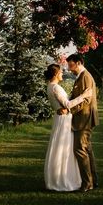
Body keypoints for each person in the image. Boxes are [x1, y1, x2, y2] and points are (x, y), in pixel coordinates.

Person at [43, 63, 87, 191]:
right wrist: (84, 96)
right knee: (64, 148)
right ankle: (63, 179)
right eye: (61, 72)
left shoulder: (49, 87)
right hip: (64, 120)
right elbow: (67, 104)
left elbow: (61, 105)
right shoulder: (56, 87)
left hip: (60, 118)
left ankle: (57, 177)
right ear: (56, 74)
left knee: (59, 147)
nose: (62, 74)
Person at [62, 53, 99, 192]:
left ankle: (87, 183)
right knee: (87, 150)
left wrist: (69, 109)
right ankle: (92, 181)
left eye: (70, 65)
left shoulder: (85, 77)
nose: (69, 68)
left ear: (78, 63)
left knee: (80, 150)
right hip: (84, 119)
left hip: (84, 119)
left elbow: (86, 100)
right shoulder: (81, 76)